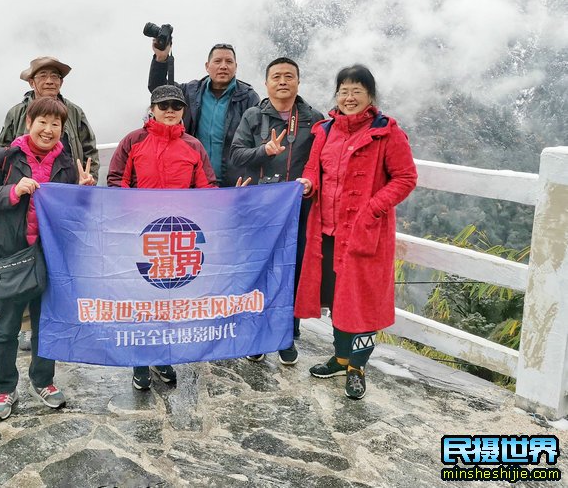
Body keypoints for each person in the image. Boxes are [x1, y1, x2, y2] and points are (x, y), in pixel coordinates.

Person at [294, 65, 417, 400]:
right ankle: (341, 356)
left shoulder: (386, 132)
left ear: (370, 97)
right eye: (343, 91)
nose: (349, 98)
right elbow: (313, 169)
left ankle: (357, 368)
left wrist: (373, 208)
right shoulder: (326, 130)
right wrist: (308, 184)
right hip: (326, 230)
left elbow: (405, 178)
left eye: (356, 92)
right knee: (337, 297)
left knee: (361, 302)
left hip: (364, 233)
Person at [0, 97, 96, 420]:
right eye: (42, 122)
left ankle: (43, 380)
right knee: (7, 328)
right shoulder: (6, 157)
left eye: (55, 124)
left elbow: (73, 215)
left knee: (47, 324)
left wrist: (83, 191)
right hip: (12, 254)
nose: (49, 129)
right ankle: (5, 387)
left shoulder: (67, 163)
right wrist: (14, 190)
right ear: (29, 123)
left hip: (50, 255)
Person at [108, 85, 218, 390]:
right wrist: (135, 212)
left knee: (169, 299)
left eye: (176, 106)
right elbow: (117, 181)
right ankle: (140, 360)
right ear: (152, 108)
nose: (170, 110)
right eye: (163, 105)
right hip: (141, 235)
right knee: (141, 297)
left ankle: (162, 355)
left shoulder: (193, 146)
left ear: (184, 110)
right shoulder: (134, 141)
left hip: (178, 236)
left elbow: (207, 188)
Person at [230, 57, 324, 366]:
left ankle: (286, 336)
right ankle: (257, 335)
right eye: (276, 77)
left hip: (298, 208)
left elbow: (322, 164)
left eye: (289, 76)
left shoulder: (314, 119)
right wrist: (264, 151)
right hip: (259, 209)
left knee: (292, 271)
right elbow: (236, 157)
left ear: (298, 81)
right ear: (266, 83)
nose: (283, 81)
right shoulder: (254, 117)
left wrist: (311, 183)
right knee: (260, 269)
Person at [148, 39, 259, 187]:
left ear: (236, 67)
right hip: (195, 182)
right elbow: (159, 90)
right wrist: (161, 58)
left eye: (229, 62)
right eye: (218, 61)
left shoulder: (248, 97)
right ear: (207, 66)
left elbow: (256, 142)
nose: (223, 66)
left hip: (235, 184)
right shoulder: (191, 92)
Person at [0, 56, 99, 182]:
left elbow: (90, 151)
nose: (49, 81)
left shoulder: (74, 112)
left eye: (55, 76)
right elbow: (2, 152)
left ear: (61, 82)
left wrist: (88, 184)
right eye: (43, 76)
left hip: (67, 188)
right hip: (26, 190)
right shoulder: (17, 113)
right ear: (31, 82)